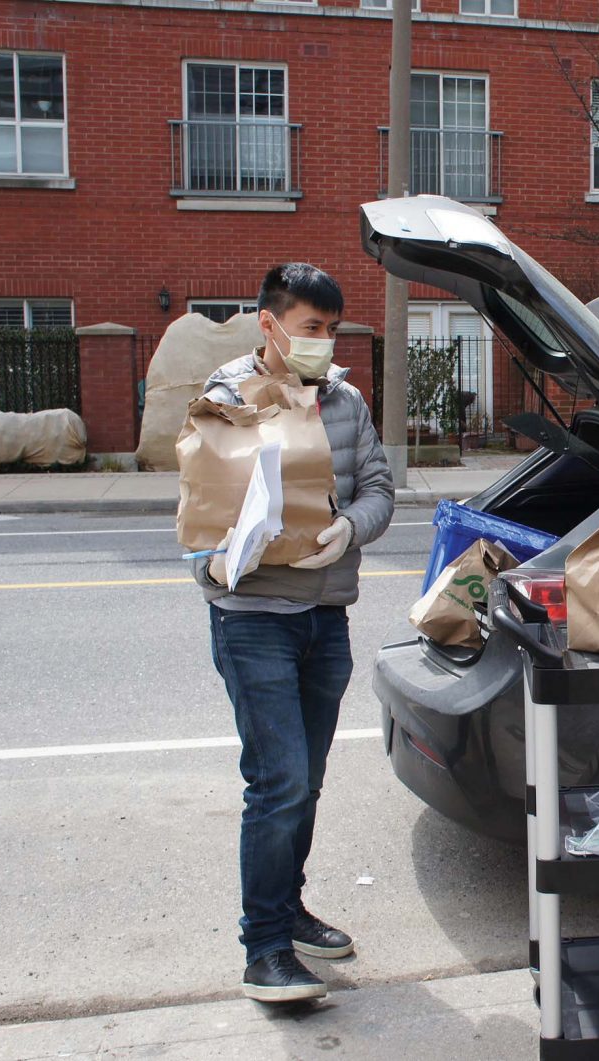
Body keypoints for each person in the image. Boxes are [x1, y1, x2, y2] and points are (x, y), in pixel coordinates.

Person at [194, 263, 395, 1003]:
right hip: (255, 623)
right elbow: (198, 511)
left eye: (331, 329)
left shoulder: (343, 401)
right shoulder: (225, 400)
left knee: (304, 784)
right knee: (276, 782)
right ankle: (265, 947)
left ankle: (288, 907)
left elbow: (379, 487)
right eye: (312, 328)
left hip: (325, 618)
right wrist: (212, 564)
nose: (324, 342)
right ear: (268, 324)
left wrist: (350, 528)